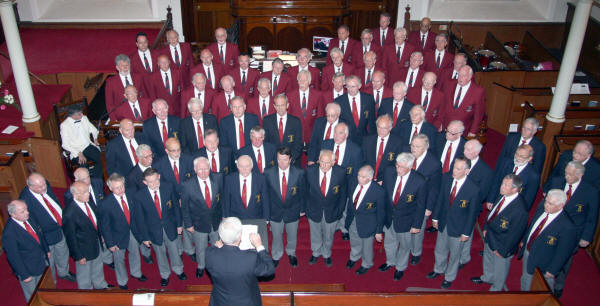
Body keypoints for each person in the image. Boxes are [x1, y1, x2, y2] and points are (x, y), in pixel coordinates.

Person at [542, 161, 599, 297]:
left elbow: (592, 216)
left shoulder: (590, 191)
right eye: (566, 172)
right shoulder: (557, 181)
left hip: (572, 232)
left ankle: (559, 285)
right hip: (552, 226)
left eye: (570, 174)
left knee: (564, 258)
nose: (566, 176)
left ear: (580, 175)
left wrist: (586, 236)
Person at [427, 157, 480, 289]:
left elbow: (472, 214)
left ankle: (449, 277)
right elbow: (441, 199)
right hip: (444, 223)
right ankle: (438, 269)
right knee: (440, 249)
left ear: (467, 171)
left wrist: (466, 233)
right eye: (454, 167)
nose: (453, 171)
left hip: (459, 227)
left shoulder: (473, 189)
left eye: (458, 168)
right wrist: (435, 218)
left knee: (455, 255)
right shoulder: (447, 178)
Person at [471, 174, 528, 291]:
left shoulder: (520, 210)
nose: (501, 187)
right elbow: (492, 214)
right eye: (502, 183)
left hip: (502, 244)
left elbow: (515, 234)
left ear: (515, 189)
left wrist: (502, 250)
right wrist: (486, 227)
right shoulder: (503, 195)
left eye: (506, 185)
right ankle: (487, 277)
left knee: (500, 269)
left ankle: (496, 290)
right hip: (490, 236)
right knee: (488, 259)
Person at [205, 217, 275, 306]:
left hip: (220, 301)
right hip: (246, 302)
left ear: (221, 236)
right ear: (239, 237)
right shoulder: (251, 258)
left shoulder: (209, 254)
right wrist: (259, 245)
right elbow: (269, 269)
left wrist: (219, 247)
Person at [19, 173, 75, 283]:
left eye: (44, 184)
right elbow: (31, 223)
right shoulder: (25, 200)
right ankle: (52, 281)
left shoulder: (45, 186)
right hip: (45, 235)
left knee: (63, 252)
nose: (44, 187)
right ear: (31, 187)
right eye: (40, 187)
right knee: (50, 260)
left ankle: (63, 272)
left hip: (59, 228)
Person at [136, 168, 186, 286]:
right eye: (150, 182)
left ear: (159, 176)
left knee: (174, 249)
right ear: (145, 182)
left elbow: (176, 207)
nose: (154, 184)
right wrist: (145, 237)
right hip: (153, 230)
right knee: (160, 253)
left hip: (170, 226)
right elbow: (140, 219)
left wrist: (179, 224)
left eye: (156, 180)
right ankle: (164, 274)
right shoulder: (139, 196)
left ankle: (178, 269)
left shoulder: (168, 187)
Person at [380, 153, 427, 280]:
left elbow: (421, 206)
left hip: (407, 220)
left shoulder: (419, 181)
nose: (398, 170)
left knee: (405, 246)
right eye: (397, 166)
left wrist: (417, 225)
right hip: (389, 217)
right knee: (389, 243)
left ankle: (400, 267)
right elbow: (383, 194)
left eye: (402, 167)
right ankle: (390, 262)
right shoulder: (389, 172)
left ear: (410, 167)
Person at [519, 189, 577, 291]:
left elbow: (563, 252)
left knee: (542, 288)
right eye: (546, 201)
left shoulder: (567, 227)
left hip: (543, 264)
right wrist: (525, 240)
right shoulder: (542, 209)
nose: (546, 205)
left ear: (560, 206)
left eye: (550, 204)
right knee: (526, 278)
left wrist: (552, 270)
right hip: (529, 252)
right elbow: (532, 226)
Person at [99, 173, 147, 290]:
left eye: (122, 186)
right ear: (110, 188)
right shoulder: (106, 204)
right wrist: (110, 243)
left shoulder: (131, 193)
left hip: (133, 232)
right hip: (117, 236)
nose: (120, 190)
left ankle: (136, 272)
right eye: (116, 188)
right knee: (119, 259)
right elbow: (105, 226)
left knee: (135, 252)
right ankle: (122, 280)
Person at [181, 157, 224, 279]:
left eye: (206, 169)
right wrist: (188, 224)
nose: (204, 172)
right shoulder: (187, 185)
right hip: (198, 222)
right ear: (195, 169)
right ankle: (201, 266)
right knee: (201, 247)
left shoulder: (218, 178)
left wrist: (224, 216)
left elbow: (223, 199)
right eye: (200, 169)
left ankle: (217, 264)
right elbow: (184, 207)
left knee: (218, 245)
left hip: (216, 220)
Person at [63, 181, 110, 290]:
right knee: (84, 274)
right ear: (75, 195)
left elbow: (95, 220)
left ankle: (100, 285)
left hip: (95, 242)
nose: (88, 194)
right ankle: (86, 292)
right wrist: (78, 256)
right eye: (84, 192)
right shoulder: (69, 213)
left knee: (98, 267)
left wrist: (100, 234)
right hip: (83, 249)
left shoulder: (88, 200)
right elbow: (71, 238)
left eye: (87, 191)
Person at [265, 147, 306, 267]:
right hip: (275, 211)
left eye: (285, 160)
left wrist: (302, 209)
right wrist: (267, 213)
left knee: (292, 234)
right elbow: (266, 194)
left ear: (291, 159)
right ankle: (276, 254)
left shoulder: (299, 172)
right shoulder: (268, 172)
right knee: (276, 235)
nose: (282, 163)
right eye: (279, 159)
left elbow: (303, 192)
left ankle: (291, 253)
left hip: (293, 209)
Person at [154, 138, 195, 259]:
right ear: (166, 151)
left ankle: (189, 249)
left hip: (187, 198)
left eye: (178, 150)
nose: (176, 153)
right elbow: (159, 187)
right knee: (175, 225)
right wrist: (174, 200)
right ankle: (179, 250)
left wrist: (185, 197)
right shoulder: (158, 165)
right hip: (170, 202)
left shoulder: (189, 160)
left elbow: (193, 180)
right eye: (173, 151)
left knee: (187, 223)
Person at [321, 122, 364, 240]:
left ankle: (344, 228)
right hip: (329, 182)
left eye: (340, 133)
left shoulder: (355, 150)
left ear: (346, 135)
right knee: (331, 206)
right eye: (335, 132)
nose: (336, 135)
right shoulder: (326, 144)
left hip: (347, 184)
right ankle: (332, 226)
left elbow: (357, 171)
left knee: (345, 207)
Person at [2, 200, 50, 302]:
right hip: (29, 270)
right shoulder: (9, 233)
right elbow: (13, 257)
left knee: (46, 288)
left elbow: (40, 235)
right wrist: (24, 275)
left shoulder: (29, 218)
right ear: (13, 214)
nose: (27, 212)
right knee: (33, 296)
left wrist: (47, 250)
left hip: (41, 261)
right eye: (22, 211)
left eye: (26, 209)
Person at [305, 150, 347, 266]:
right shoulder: (310, 171)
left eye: (327, 163)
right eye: (321, 162)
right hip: (314, 209)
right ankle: (316, 252)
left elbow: (343, 194)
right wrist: (306, 209)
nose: (323, 165)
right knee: (315, 233)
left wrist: (340, 210)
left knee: (329, 235)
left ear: (333, 162)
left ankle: (326, 253)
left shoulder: (341, 172)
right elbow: (304, 191)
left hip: (332, 210)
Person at [66, 168, 113, 269]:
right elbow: (71, 236)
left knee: (99, 257)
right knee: (85, 271)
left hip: (99, 223)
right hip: (86, 240)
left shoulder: (96, 184)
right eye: (83, 179)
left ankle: (106, 265)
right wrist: (78, 255)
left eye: (88, 177)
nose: (87, 181)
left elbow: (103, 198)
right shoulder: (70, 210)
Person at [223, 155, 270, 249]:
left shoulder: (261, 178)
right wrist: (226, 217)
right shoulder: (229, 179)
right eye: (241, 166)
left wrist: (267, 217)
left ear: (252, 166)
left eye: (247, 166)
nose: (244, 169)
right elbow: (226, 200)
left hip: (255, 217)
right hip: (236, 218)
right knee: (238, 246)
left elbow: (265, 199)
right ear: (237, 166)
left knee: (253, 245)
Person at [345, 165, 385, 275]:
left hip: (368, 223)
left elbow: (381, 212)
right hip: (353, 219)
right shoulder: (353, 183)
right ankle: (354, 256)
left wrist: (378, 230)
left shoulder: (378, 191)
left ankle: (367, 263)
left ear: (370, 178)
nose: (359, 178)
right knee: (354, 240)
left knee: (367, 246)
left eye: (363, 177)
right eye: (358, 175)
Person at [460, 139, 493, 267]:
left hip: (470, 207)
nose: (464, 151)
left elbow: (483, 193)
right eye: (464, 148)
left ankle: (463, 258)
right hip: (455, 203)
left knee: (466, 231)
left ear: (477, 152)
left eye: (468, 150)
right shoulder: (460, 161)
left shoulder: (485, 171)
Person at [409, 134, 442, 263]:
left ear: (426, 147)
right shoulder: (407, 156)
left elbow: (434, 189)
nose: (413, 149)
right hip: (407, 200)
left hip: (422, 203)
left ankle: (416, 253)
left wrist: (429, 207)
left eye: (417, 146)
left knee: (418, 230)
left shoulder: (434, 164)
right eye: (412, 145)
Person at [487, 144, 540, 211]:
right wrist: (491, 199)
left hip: (512, 207)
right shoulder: (505, 162)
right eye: (516, 154)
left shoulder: (533, 176)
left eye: (522, 156)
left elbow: (528, 199)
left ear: (529, 158)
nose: (517, 158)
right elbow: (496, 181)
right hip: (497, 200)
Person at [442, 65, 485, 137]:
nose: (460, 78)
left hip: (462, 130)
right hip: (446, 126)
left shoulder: (478, 91)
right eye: (459, 75)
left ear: (470, 77)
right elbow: (442, 105)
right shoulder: (449, 84)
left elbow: (478, 115)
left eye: (463, 76)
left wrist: (473, 132)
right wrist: (440, 122)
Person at [60, 104, 102, 178]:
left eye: (81, 112)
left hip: (87, 146)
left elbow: (94, 130)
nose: (82, 115)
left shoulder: (84, 118)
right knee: (84, 165)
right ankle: (87, 183)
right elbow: (65, 144)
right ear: (72, 116)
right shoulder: (64, 125)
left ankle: (96, 180)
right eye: (79, 114)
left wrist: (95, 138)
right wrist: (78, 153)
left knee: (100, 158)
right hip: (75, 150)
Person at [334, 75, 376, 145]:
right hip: (347, 140)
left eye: (353, 86)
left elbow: (372, 121)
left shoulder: (368, 99)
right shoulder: (339, 101)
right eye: (348, 86)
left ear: (359, 86)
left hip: (365, 139)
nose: (350, 89)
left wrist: (372, 138)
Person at [263, 94, 303, 166]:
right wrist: (275, 160)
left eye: (282, 105)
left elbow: (298, 144)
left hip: (291, 162)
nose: (280, 108)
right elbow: (266, 143)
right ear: (274, 106)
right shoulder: (267, 121)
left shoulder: (296, 121)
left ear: (287, 105)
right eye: (278, 105)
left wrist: (289, 160)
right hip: (273, 162)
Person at [288, 70, 325, 144]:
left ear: (309, 81)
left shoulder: (318, 95)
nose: (301, 82)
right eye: (300, 80)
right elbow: (288, 116)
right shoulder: (290, 95)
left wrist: (318, 133)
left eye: (304, 80)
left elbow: (320, 116)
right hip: (295, 134)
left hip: (312, 134)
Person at [362, 115, 403, 182]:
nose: (381, 131)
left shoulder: (397, 142)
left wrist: (384, 180)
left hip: (386, 180)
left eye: (384, 128)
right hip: (367, 178)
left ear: (390, 128)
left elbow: (396, 165)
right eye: (379, 127)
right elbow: (363, 160)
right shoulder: (367, 140)